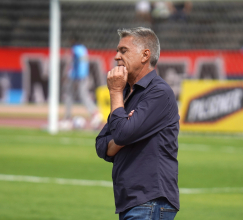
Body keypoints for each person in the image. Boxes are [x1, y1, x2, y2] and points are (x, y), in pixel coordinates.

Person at [95, 27, 180, 220]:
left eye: (123, 51)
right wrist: (123, 135)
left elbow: (122, 134)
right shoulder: (128, 93)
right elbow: (101, 144)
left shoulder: (159, 93)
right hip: (134, 201)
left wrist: (115, 93)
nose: (116, 56)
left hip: (150, 201)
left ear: (145, 55)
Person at [63, 35, 101, 129]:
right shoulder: (83, 49)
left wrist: (68, 73)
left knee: (71, 95)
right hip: (83, 75)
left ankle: (68, 118)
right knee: (81, 95)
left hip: (76, 75)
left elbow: (73, 61)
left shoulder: (75, 49)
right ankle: (94, 113)